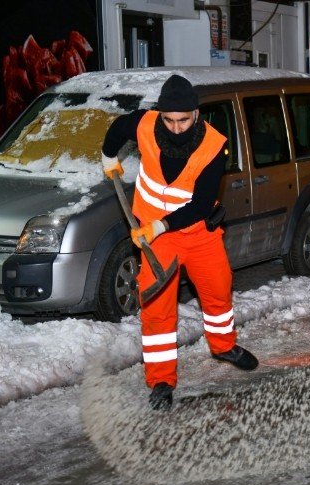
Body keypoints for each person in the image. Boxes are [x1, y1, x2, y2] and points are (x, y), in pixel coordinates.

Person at [101, 74, 257, 412]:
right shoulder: (145, 123)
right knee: (156, 306)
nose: (175, 127)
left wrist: (161, 225)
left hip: (197, 233)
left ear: (196, 114)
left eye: (183, 119)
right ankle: (160, 380)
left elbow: (201, 204)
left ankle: (223, 345)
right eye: (169, 120)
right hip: (157, 240)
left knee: (218, 288)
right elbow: (116, 130)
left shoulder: (214, 146)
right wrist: (108, 155)